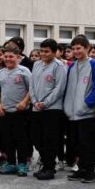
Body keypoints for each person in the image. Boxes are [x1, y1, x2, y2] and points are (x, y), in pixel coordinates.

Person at [64, 35, 95, 183]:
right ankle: (81, 168)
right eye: (73, 48)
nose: (76, 51)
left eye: (79, 48)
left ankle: (90, 171)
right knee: (76, 143)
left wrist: (88, 102)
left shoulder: (94, 65)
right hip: (72, 112)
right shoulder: (72, 66)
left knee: (88, 144)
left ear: (87, 48)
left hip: (87, 112)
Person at [29, 39, 67, 180]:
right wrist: (34, 101)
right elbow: (32, 85)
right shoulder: (37, 64)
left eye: (47, 51)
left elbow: (59, 88)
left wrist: (45, 103)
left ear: (54, 52)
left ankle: (49, 167)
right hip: (36, 107)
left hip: (52, 109)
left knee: (49, 139)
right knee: (36, 137)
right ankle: (45, 163)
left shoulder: (59, 66)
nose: (43, 54)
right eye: (41, 51)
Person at [0, 46, 32, 177]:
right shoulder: (0, 73)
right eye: (6, 56)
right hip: (4, 111)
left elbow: (31, 89)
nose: (8, 59)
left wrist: (24, 102)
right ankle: (10, 163)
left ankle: (22, 164)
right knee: (7, 139)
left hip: (20, 112)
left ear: (18, 57)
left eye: (11, 56)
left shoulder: (24, 71)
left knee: (21, 139)